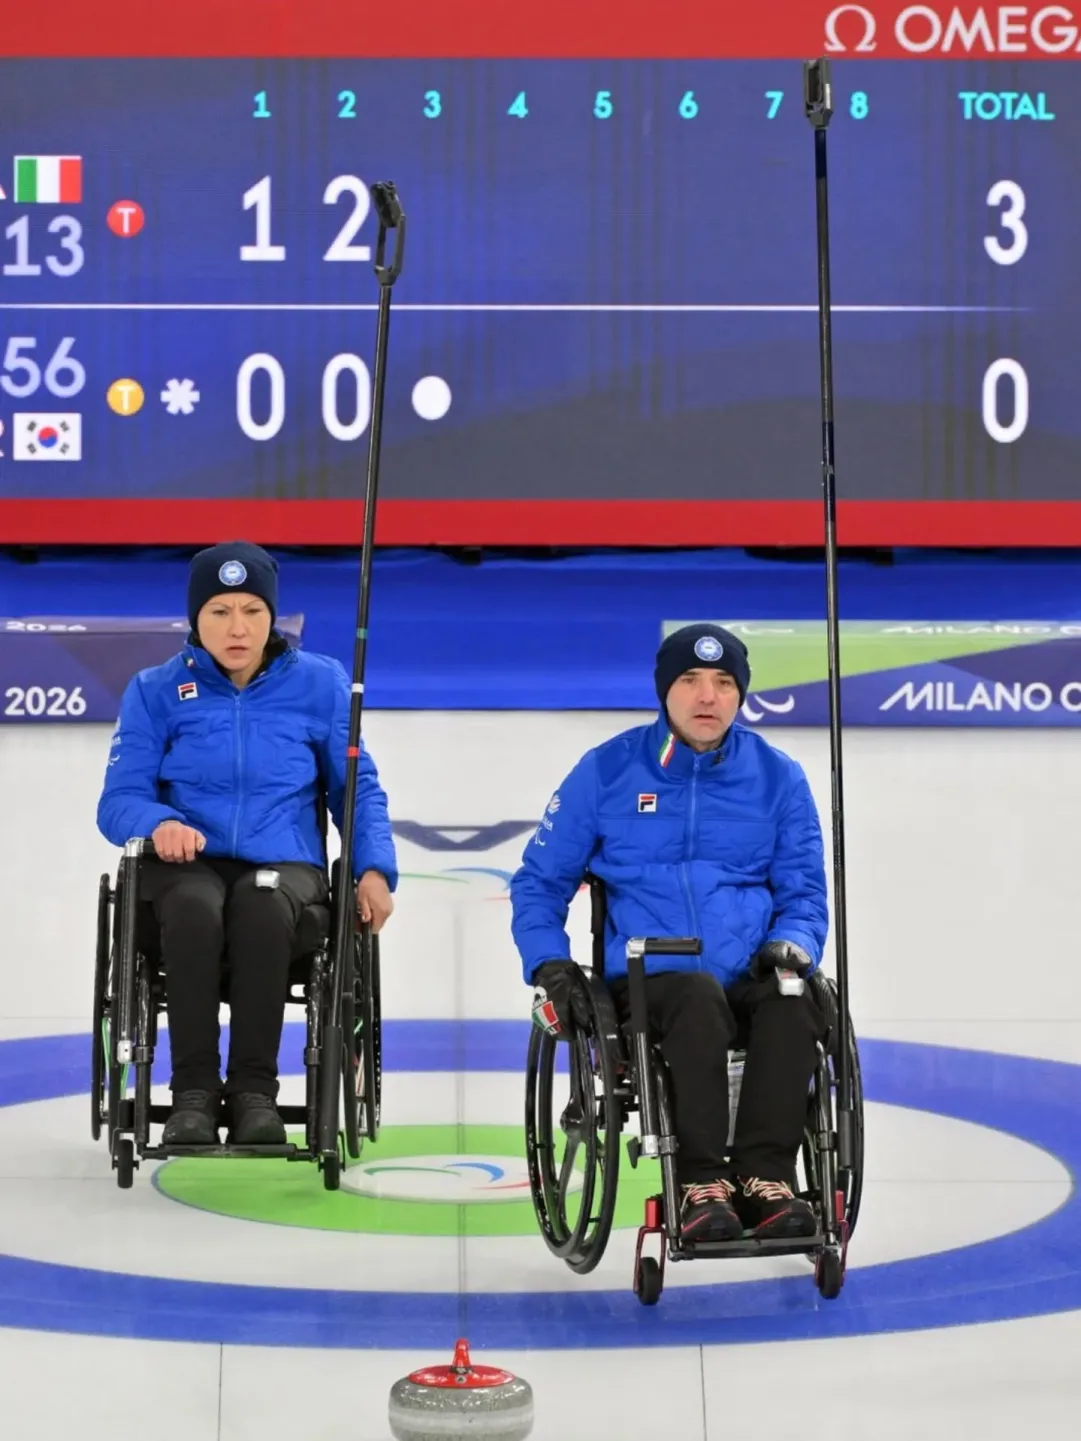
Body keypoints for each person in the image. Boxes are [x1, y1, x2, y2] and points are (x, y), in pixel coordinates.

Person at [510, 623, 829, 1242]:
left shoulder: (778, 777)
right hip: (652, 983)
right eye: (690, 680)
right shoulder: (606, 772)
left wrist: (793, 943)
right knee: (695, 996)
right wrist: (550, 964)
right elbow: (538, 884)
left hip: (751, 970)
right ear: (664, 691)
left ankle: (766, 1178)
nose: (708, 697)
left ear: (741, 695)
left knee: (795, 999)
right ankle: (700, 1182)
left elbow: (805, 892)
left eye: (724, 683)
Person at [97, 541, 397, 1147]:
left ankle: (255, 1093)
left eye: (252, 611)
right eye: (220, 612)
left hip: (284, 866)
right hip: (184, 864)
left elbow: (356, 790)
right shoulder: (154, 690)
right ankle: (193, 1095)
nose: (238, 629)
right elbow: (118, 801)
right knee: (193, 907)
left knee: (260, 907)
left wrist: (372, 869)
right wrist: (159, 821)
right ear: (195, 618)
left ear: (272, 615)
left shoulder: (320, 683)